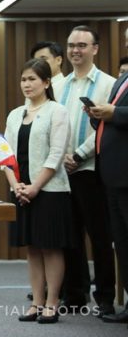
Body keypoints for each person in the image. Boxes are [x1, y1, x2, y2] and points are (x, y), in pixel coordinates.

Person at [4, 58, 73, 324]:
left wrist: (34, 187)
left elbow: (56, 156)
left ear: (46, 82)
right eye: (24, 79)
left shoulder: (57, 111)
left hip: (50, 191)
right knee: (32, 248)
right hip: (21, 190)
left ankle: (52, 302)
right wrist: (16, 186)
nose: (27, 84)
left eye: (33, 79)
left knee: (51, 247)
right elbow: (6, 156)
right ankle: (36, 302)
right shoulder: (14, 114)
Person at [56, 26, 116, 316]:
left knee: (100, 236)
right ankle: (75, 294)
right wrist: (60, 158)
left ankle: (105, 296)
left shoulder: (109, 84)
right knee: (69, 236)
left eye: (82, 45)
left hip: (92, 170)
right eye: (71, 45)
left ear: (95, 49)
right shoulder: (59, 85)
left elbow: (106, 128)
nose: (75, 51)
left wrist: (79, 155)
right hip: (61, 171)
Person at [90, 31, 128, 325]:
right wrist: (97, 114)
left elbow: (120, 114)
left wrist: (114, 112)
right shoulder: (123, 78)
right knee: (123, 244)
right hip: (113, 176)